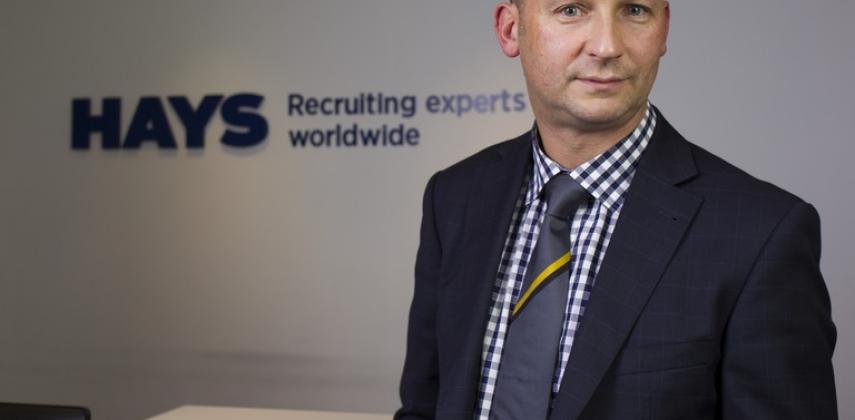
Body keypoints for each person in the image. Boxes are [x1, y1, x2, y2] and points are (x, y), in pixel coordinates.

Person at [396, 0, 838, 419]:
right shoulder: (454, 197)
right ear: (511, 29)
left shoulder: (762, 234)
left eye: (634, 9)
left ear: (663, 28)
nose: (607, 46)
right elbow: (424, 406)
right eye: (571, 9)